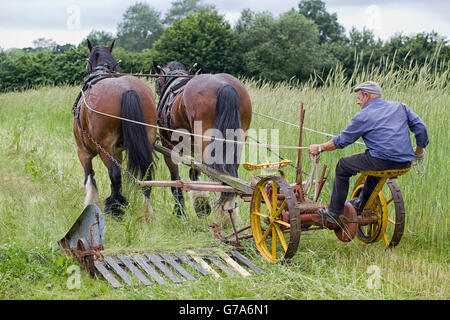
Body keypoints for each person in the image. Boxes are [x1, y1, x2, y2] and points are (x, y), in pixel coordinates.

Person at [308, 81, 429, 223]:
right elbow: (421, 127)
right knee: (374, 167)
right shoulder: (400, 107)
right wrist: (419, 151)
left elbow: (341, 141)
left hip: (382, 161)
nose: (358, 103)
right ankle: (361, 204)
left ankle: (334, 212)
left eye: (358, 98)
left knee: (342, 165)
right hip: (405, 163)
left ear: (366, 96)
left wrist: (320, 147)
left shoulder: (363, 116)